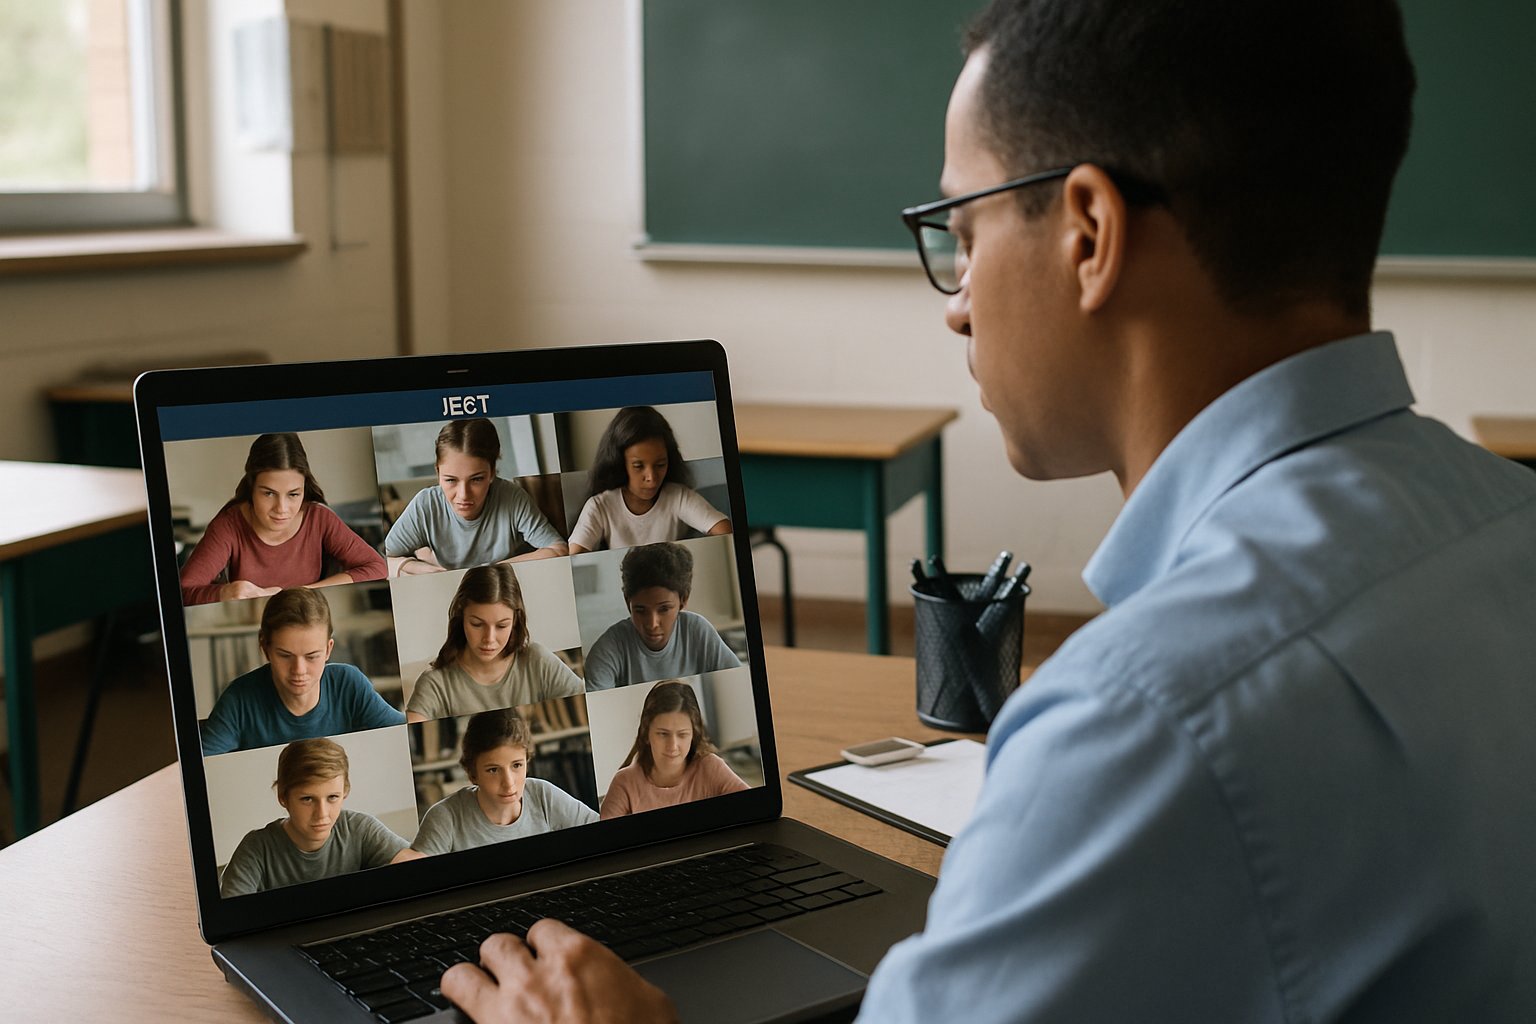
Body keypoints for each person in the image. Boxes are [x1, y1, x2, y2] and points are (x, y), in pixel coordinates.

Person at [441, 1, 1536, 1021]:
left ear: (1090, 232)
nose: (958, 304)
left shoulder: (1146, 719)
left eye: (961, 232)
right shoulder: (1507, 518)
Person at [179, 432, 386, 606]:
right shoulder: (228, 526)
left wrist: (301, 592)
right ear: (252, 488)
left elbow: (377, 568)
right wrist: (224, 593)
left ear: (304, 489)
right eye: (268, 493)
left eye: (294, 494)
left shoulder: (319, 518)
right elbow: (183, 591)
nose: (282, 509)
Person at [199, 587, 404, 756]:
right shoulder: (238, 698)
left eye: (312, 656)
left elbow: (402, 730)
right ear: (265, 646)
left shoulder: (349, 684)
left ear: (328, 649)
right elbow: (202, 766)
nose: (299, 670)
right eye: (285, 656)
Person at [219, 737, 421, 897]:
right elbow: (231, 919)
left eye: (333, 797)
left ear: (345, 792)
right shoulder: (256, 848)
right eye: (307, 799)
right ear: (283, 797)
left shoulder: (360, 828)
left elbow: (420, 869)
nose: (322, 815)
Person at [384, 418, 568, 576]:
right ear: (438, 472)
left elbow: (558, 549)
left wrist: (488, 571)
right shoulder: (425, 505)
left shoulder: (511, 496)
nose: (463, 495)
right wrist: (424, 569)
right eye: (450, 480)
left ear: (492, 473)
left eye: (476, 479)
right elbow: (382, 560)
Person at [405, 564, 584, 723]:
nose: (489, 639)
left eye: (501, 625)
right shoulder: (434, 684)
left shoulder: (537, 660)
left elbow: (592, 700)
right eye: (477, 624)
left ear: (515, 620)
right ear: (461, 616)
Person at [411, 709, 598, 855]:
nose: (509, 784)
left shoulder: (543, 794)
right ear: (472, 773)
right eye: (493, 770)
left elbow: (602, 833)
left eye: (517, 765)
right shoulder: (445, 818)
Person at [567, 406, 731, 554]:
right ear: (619, 463)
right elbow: (574, 556)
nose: (652, 479)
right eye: (638, 466)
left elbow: (724, 528)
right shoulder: (600, 507)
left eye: (660, 465)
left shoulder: (678, 497)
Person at [582, 542, 741, 691]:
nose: (652, 624)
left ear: (683, 600)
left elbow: (739, 683)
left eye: (664, 609)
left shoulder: (698, 630)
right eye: (640, 610)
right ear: (627, 601)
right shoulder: (609, 648)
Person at [599, 680, 748, 819]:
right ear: (646, 734)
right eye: (663, 734)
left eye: (682, 735)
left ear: (693, 735)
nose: (672, 746)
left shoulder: (710, 767)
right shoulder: (624, 782)